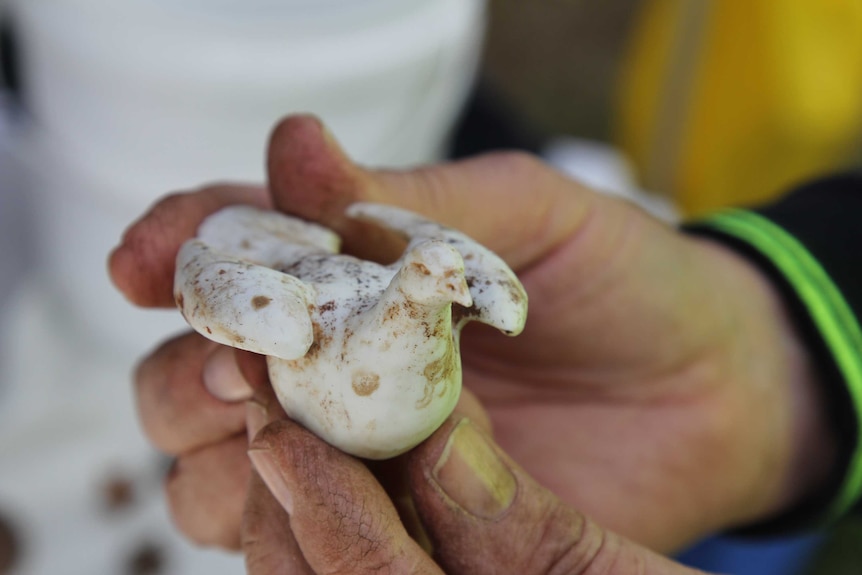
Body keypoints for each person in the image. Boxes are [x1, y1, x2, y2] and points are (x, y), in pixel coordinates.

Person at [109, 115, 861, 574]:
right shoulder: (292, 311)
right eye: (434, 281)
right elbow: (206, 275)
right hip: (313, 306)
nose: (445, 291)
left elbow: (463, 278)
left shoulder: (460, 301)